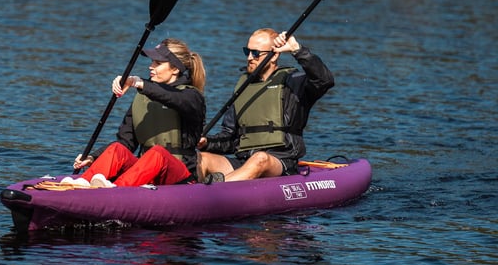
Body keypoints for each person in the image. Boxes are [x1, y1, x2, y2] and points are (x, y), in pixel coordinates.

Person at [60, 38, 206, 188]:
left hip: (181, 178)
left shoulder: (192, 97)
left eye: (158, 63)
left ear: (175, 69)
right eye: (151, 62)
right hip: (145, 173)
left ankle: (117, 190)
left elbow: (172, 97)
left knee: (158, 153)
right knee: (118, 149)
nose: (151, 67)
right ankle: (83, 183)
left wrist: (137, 82)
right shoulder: (143, 97)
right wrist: (93, 157)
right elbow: (125, 142)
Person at [197, 28, 333, 183]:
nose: (249, 58)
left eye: (255, 53)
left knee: (260, 158)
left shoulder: (294, 82)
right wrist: (207, 143)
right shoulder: (243, 87)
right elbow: (230, 138)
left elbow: (325, 80)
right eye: (247, 51)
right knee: (202, 158)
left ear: (274, 55)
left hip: (280, 162)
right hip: (245, 162)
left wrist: (297, 50)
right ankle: (194, 195)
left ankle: (214, 190)